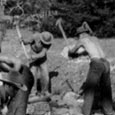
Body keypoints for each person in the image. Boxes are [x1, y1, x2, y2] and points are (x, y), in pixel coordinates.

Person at [68, 22, 114, 115]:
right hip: (106, 63)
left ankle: (86, 113)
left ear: (80, 34)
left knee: (89, 89)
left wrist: (70, 51)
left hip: (97, 64)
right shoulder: (94, 38)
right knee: (106, 89)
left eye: (78, 36)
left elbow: (72, 52)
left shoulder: (82, 40)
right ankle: (109, 111)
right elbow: (92, 50)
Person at [22, 31, 53, 96]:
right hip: (33, 53)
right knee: (33, 73)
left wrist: (33, 57)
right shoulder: (35, 36)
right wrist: (22, 41)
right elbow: (26, 42)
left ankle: (45, 91)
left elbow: (42, 54)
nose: (45, 44)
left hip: (42, 58)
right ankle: (33, 92)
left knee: (45, 74)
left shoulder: (49, 43)